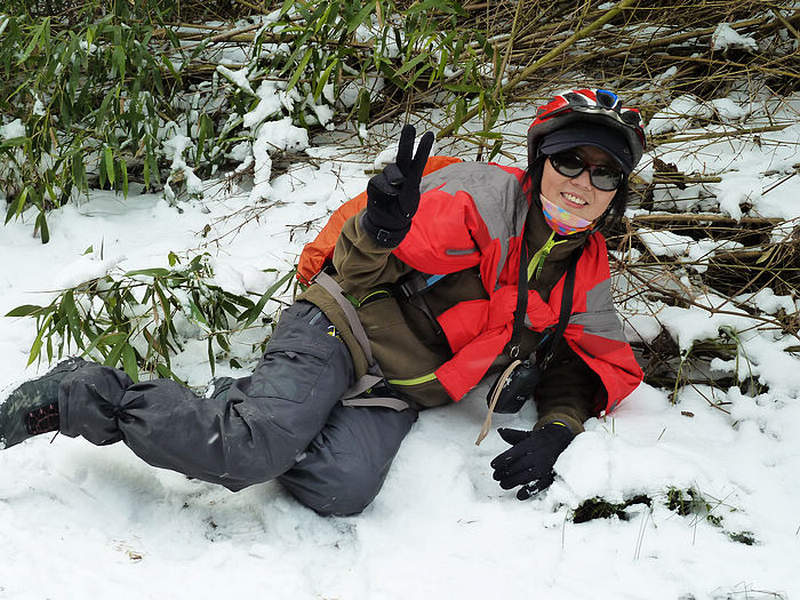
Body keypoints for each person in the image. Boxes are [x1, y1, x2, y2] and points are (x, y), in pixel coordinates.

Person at [0, 88, 645, 514]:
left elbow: (586, 363)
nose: (583, 182)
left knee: (342, 488)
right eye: (569, 160)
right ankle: (82, 395)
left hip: (395, 389)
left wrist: (558, 431)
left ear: (617, 189)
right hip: (340, 326)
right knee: (250, 450)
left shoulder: (583, 270)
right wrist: (380, 228)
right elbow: (354, 267)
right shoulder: (478, 200)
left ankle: (251, 411)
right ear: (539, 160)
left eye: (605, 172)